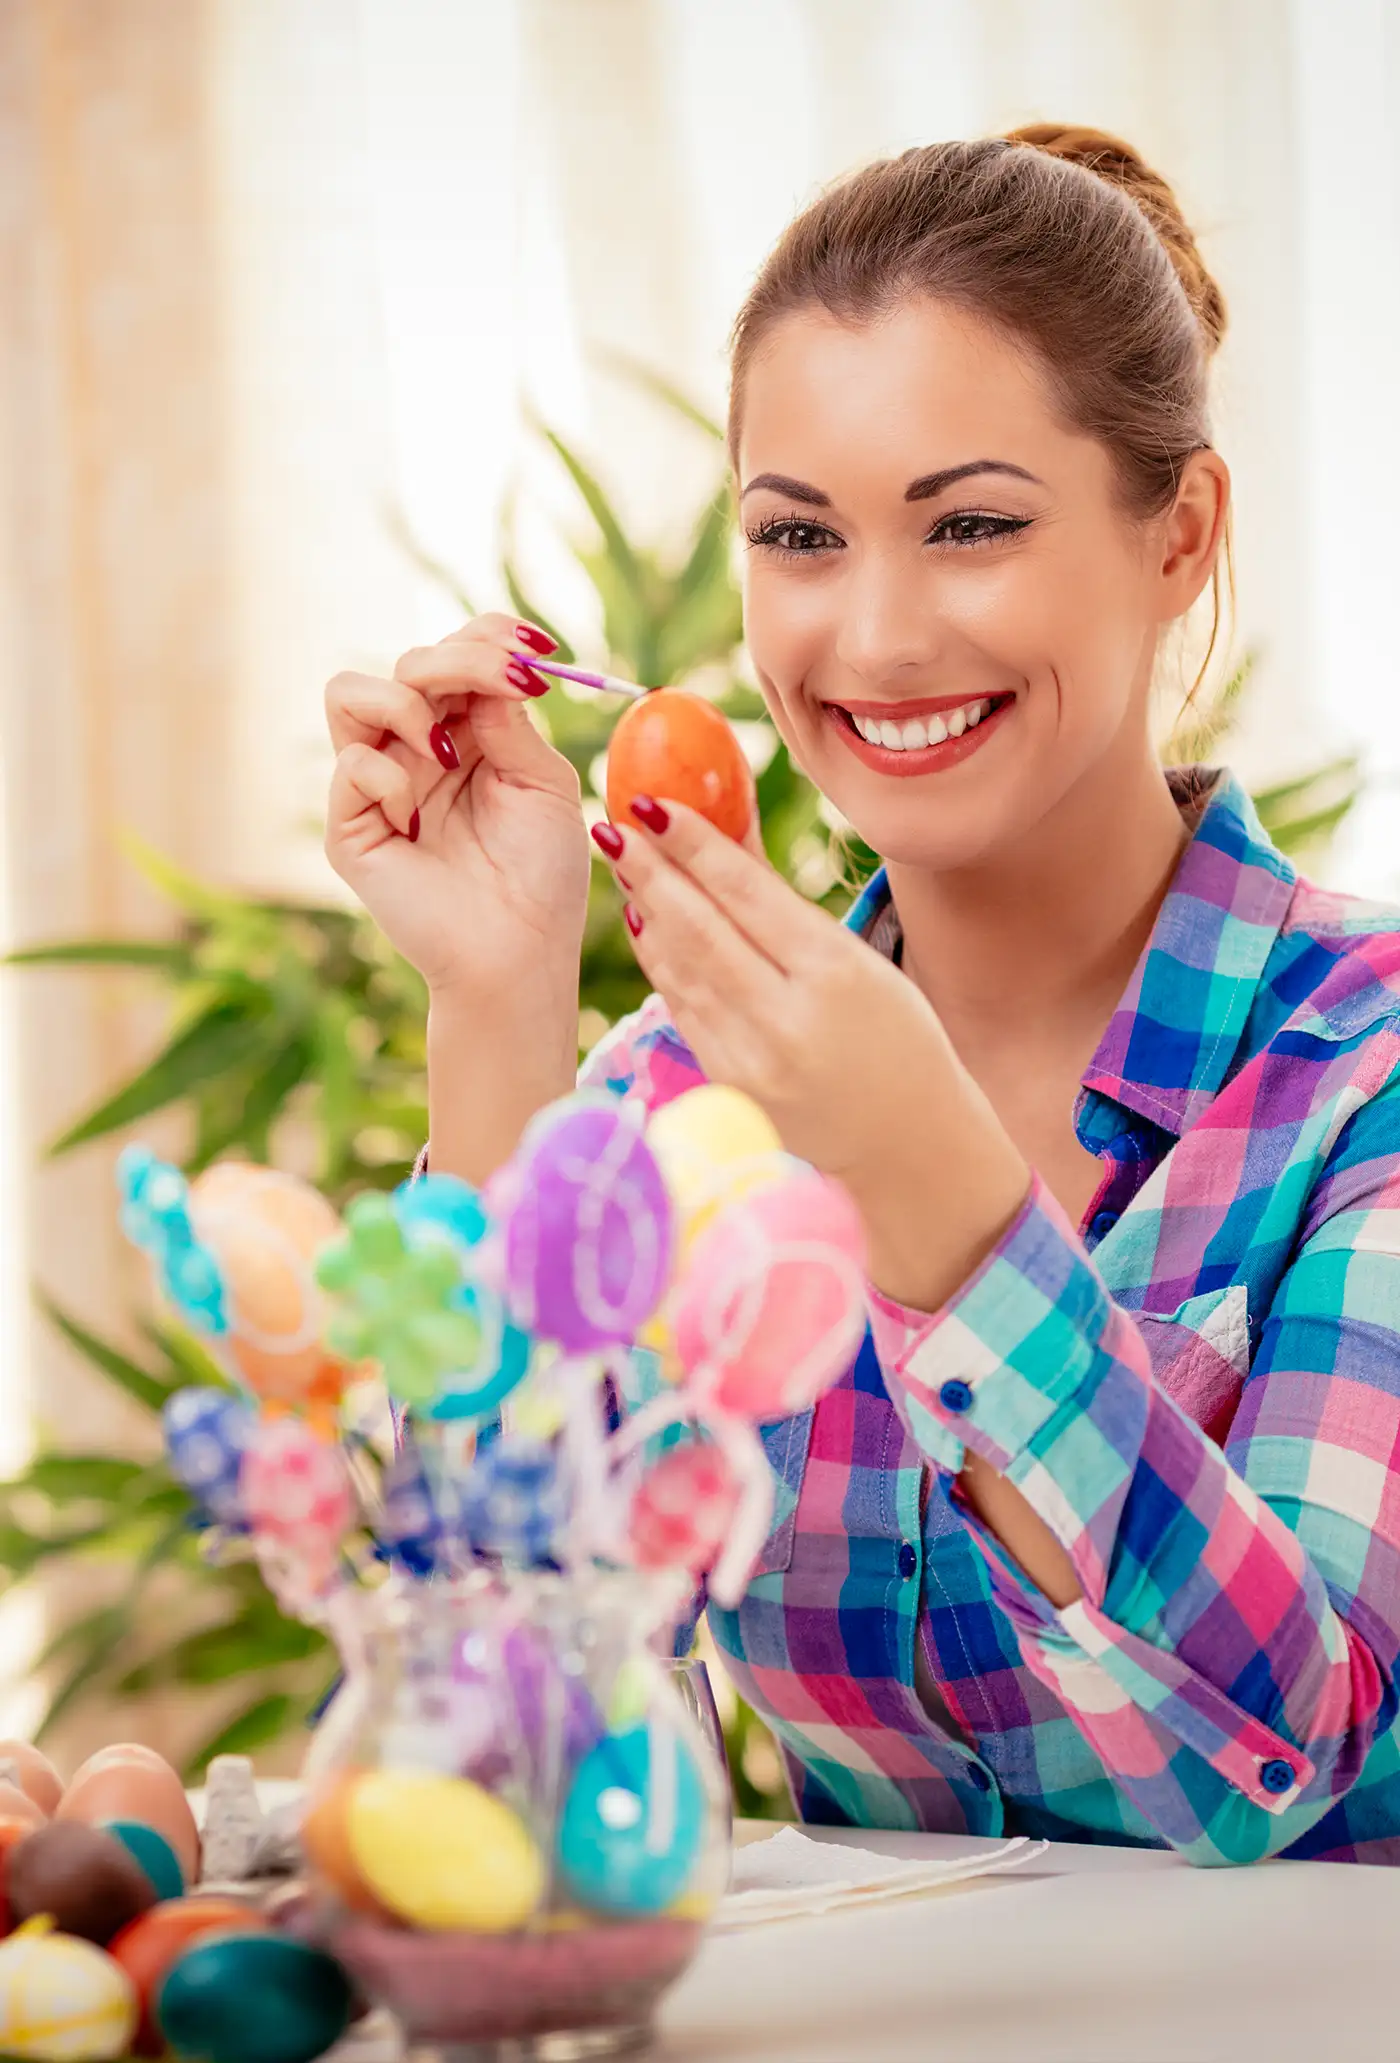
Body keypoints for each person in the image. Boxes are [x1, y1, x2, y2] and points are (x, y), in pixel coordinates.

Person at [324, 125, 1400, 1866]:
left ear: (1179, 531)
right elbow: (505, 1783)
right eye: (800, 536)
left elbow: (1282, 1764)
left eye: (971, 524)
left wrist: (936, 1195)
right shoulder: (673, 1099)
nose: (879, 637)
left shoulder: (1364, 1067)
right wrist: (500, 1016)